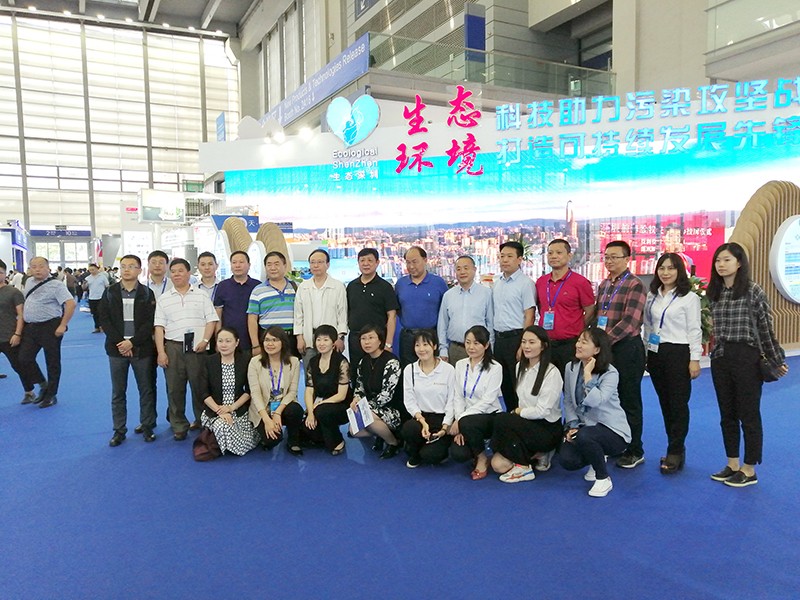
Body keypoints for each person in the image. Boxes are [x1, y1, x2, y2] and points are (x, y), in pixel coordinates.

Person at [707, 242, 788, 488]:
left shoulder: (753, 290)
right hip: (721, 357)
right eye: (718, 260)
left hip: (747, 357)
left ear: (739, 263)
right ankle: (732, 464)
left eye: (727, 260)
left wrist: (776, 358)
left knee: (749, 414)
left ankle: (749, 468)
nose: (721, 265)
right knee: (727, 414)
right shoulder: (714, 292)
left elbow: (765, 328)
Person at [644, 253, 702, 474]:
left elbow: (695, 330)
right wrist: (646, 352)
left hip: (679, 352)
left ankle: (675, 450)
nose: (665, 272)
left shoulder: (689, 298)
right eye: (662, 268)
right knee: (665, 403)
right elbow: (648, 326)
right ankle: (674, 446)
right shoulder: (652, 295)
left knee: (678, 404)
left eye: (671, 268)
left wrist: (694, 359)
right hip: (656, 353)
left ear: (679, 271)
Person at [559, 327, 632, 498]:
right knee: (567, 460)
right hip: (585, 427)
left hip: (612, 430)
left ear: (597, 349)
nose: (578, 345)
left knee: (586, 436)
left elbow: (596, 401)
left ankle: (603, 478)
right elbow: (568, 400)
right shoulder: (570, 367)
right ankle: (595, 457)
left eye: (584, 342)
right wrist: (573, 425)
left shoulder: (610, 373)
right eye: (578, 341)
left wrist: (587, 375)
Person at [595, 240, 647, 469]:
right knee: (609, 399)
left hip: (627, 348)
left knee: (629, 399)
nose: (609, 261)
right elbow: (599, 316)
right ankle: (617, 443)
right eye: (606, 257)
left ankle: (635, 449)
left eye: (614, 257)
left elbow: (630, 321)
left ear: (627, 259)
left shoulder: (635, 284)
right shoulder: (604, 284)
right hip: (607, 349)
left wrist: (602, 341)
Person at [154, 258, 219, 440]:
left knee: (200, 387)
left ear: (189, 273)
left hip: (197, 348)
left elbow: (211, 320)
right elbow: (159, 327)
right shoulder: (164, 299)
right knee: (174, 389)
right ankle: (179, 425)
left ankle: (202, 420)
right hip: (173, 347)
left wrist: (205, 340)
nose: (177, 274)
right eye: (173, 271)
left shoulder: (201, 295)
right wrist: (161, 352)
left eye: (180, 271)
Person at [490, 326, 563, 483]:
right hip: (526, 426)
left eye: (532, 342)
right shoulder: (519, 367)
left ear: (543, 346)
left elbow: (543, 411)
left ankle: (525, 467)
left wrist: (518, 412)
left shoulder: (552, 373)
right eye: (523, 342)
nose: (526, 346)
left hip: (547, 429)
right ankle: (538, 454)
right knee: (497, 465)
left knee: (502, 419)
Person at [97, 254, 157, 446]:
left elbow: (150, 322)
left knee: (146, 390)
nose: (127, 269)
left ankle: (147, 426)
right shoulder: (110, 292)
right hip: (116, 350)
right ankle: (119, 430)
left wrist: (132, 343)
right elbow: (104, 320)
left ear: (139, 270)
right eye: (123, 266)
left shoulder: (147, 293)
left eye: (131, 266)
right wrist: (121, 343)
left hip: (141, 349)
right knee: (118, 392)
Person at [18, 256, 76, 408]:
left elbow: (70, 304)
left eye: (41, 266)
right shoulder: (29, 282)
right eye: (33, 266)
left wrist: (63, 325)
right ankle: (43, 384)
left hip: (50, 327)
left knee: (52, 362)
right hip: (31, 327)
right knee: (24, 359)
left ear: (48, 268)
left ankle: (51, 394)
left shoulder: (56, 285)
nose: (37, 269)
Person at [448, 325, 503, 479]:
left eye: (476, 343)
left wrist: (461, 419)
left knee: (468, 422)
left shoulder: (495, 368)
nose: (471, 347)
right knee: (458, 453)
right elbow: (458, 396)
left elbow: (488, 401)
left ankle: (482, 457)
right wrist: (460, 420)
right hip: (465, 420)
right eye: (468, 342)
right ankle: (476, 446)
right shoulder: (460, 365)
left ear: (486, 345)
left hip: (489, 416)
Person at [534, 239, 595, 374]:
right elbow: (540, 307)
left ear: (569, 256)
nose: (554, 256)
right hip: (546, 343)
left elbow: (590, 310)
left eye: (559, 253)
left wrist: (576, 326)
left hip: (570, 344)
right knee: (546, 382)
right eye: (550, 253)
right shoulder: (541, 282)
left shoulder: (580, 282)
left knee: (570, 382)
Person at [197, 327, 259, 456]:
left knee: (252, 433)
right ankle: (224, 442)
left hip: (238, 409)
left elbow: (249, 390)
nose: (223, 345)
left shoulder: (246, 360)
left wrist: (231, 407)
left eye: (228, 341)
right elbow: (203, 392)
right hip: (215, 410)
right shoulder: (208, 361)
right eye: (220, 341)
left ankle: (221, 442)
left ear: (237, 342)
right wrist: (220, 411)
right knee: (222, 425)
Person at [492, 241, 536, 412]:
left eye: (510, 256)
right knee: (504, 384)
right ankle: (511, 417)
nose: (505, 260)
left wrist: (523, 345)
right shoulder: (497, 282)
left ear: (519, 259)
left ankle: (522, 418)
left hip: (516, 338)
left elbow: (529, 315)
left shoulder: (525, 283)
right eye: (502, 256)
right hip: (499, 339)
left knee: (519, 384)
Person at [401, 330, 455, 468]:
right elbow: (409, 400)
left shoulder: (448, 370)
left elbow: (452, 401)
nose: (421, 349)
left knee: (430, 456)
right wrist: (422, 421)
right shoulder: (409, 369)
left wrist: (445, 428)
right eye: (417, 345)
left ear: (435, 346)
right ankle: (415, 451)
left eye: (426, 344)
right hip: (421, 418)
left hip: (442, 419)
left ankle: (437, 446)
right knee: (409, 428)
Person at [247, 325, 304, 454]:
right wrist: (267, 419)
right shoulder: (255, 362)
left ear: (283, 342)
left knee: (296, 410)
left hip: (283, 405)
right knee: (272, 440)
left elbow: (292, 391)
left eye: (275, 340)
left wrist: (277, 412)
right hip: (263, 409)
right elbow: (255, 394)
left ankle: (293, 440)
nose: (270, 344)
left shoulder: (294, 361)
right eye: (267, 340)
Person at [350, 324, 403, 458]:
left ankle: (393, 443)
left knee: (367, 418)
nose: (367, 342)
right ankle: (381, 434)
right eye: (363, 338)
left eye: (371, 338)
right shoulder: (363, 361)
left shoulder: (391, 362)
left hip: (393, 409)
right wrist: (356, 399)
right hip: (372, 408)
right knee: (353, 430)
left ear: (380, 340)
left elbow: (387, 394)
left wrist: (367, 407)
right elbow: (359, 387)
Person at [302, 324, 352, 455]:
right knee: (306, 430)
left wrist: (319, 405)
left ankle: (338, 441)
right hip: (320, 403)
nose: (321, 343)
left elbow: (341, 395)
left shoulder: (342, 362)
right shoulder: (313, 362)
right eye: (318, 340)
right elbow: (309, 390)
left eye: (326, 340)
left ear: (333, 342)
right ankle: (322, 436)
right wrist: (310, 412)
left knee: (322, 411)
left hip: (341, 404)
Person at [394, 246, 448, 366]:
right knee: (408, 370)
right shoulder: (401, 284)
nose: (411, 266)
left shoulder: (438, 282)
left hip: (431, 335)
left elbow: (445, 310)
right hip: (408, 337)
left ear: (425, 260)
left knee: (432, 370)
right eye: (408, 262)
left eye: (415, 262)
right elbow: (397, 310)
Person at [346, 248, 398, 371]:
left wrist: (388, 344)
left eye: (370, 260)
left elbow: (392, 316)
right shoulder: (352, 286)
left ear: (377, 262)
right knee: (356, 372)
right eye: (362, 260)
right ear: (358, 263)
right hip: (356, 338)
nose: (366, 264)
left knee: (377, 372)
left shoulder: (385, 287)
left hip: (377, 339)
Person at [293, 249, 347, 366]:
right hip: (308, 339)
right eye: (312, 262)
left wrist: (340, 338)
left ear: (328, 264)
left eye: (320, 262)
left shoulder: (337, 286)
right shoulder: (303, 287)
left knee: (331, 372)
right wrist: (299, 338)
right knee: (310, 372)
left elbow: (342, 314)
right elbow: (298, 315)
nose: (316, 265)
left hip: (331, 340)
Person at [0, 259, 44, 403]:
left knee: (19, 365)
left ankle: (31, 390)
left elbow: (21, 314)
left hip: (9, 336)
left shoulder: (13, 292)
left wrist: (17, 334)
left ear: (5, 274)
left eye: (0, 272)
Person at [437, 255, 493, 365]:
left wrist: (490, 349)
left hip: (479, 349)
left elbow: (490, 323)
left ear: (474, 270)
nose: (462, 272)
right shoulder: (448, 295)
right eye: (458, 269)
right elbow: (442, 324)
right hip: (456, 349)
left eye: (466, 268)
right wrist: (443, 349)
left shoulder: (486, 293)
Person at [247, 251, 297, 357]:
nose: (273, 268)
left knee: (291, 366)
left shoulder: (296, 287)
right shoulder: (257, 290)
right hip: (268, 339)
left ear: (285, 265)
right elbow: (252, 319)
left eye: (276, 264)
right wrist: (255, 345)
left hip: (291, 339)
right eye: (269, 265)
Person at [214, 251, 260, 345]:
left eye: (241, 262)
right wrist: (217, 340)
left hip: (252, 340)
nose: (237, 265)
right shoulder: (222, 286)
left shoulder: (257, 286)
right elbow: (218, 315)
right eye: (234, 262)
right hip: (228, 340)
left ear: (249, 265)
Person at [84, 263, 110, 333]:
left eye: (93, 269)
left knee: (101, 313)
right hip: (92, 297)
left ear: (97, 269)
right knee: (94, 314)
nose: (92, 271)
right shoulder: (88, 278)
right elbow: (84, 288)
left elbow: (107, 286)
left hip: (101, 297)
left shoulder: (102, 277)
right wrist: (84, 284)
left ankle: (103, 326)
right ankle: (97, 327)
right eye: (90, 270)